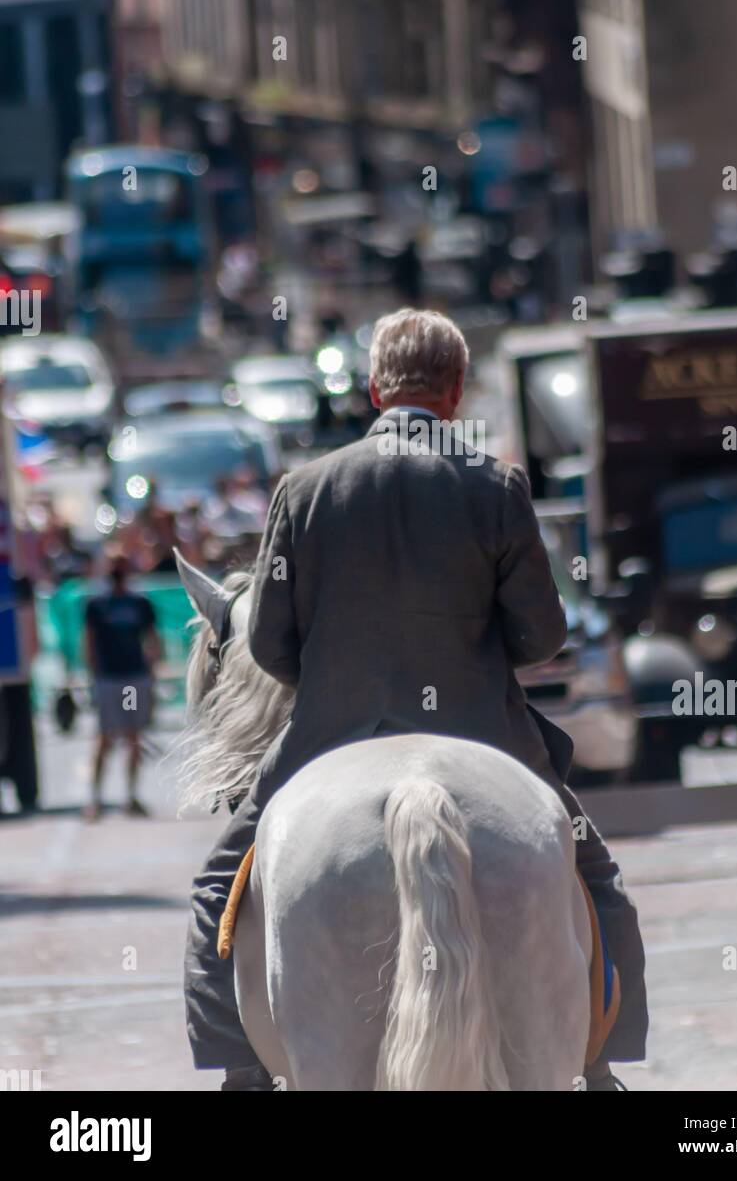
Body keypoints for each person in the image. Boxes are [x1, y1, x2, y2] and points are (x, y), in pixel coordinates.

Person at [185, 308, 647, 1091]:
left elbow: (267, 647)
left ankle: (240, 1070)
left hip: (328, 737)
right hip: (487, 739)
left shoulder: (304, 489)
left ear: (374, 389)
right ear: (457, 391)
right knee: (597, 882)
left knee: (216, 892)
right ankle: (598, 1059)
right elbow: (539, 640)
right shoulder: (496, 486)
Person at [83, 553, 161, 821]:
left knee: (133, 736)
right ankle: (95, 798)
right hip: (109, 678)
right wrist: (92, 674)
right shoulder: (97, 604)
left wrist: (152, 673)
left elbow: (152, 639)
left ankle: (130, 796)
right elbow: (89, 642)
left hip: (132, 679)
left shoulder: (139, 603)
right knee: (105, 738)